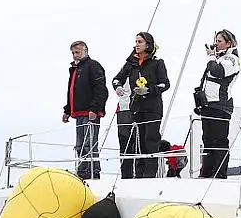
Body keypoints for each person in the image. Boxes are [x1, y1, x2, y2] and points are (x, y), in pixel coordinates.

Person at [112, 32, 171, 178]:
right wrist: (118, 87)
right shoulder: (131, 64)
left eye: (140, 42)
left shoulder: (157, 63)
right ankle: (139, 174)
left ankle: (149, 174)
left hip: (153, 108)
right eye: (136, 42)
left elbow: (165, 84)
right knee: (138, 142)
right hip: (136, 108)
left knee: (150, 140)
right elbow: (117, 79)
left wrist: (149, 90)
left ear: (148, 44)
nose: (137, 45)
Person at [194, 29, 240, 179]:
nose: (216, 44)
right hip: (208, 105)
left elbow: (217, 72)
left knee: (219, 141)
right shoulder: (218, 58)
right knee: (207, 140)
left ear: (229, 43)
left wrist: (210, 57)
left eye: (219, 41)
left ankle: (220, 174)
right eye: (215, 41)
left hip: (221, 106)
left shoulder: (231, 59)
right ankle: (206, 173)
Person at [62, 40, 107, 180]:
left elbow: (101, 89)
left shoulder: (93, 66)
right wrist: (67, 110)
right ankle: (82, 171)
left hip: (90, 112)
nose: (75, 55)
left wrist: (94, 108)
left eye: (78, 52)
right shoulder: (75, 69)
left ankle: (93, 172)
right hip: (79, 112)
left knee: (89, 144)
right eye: (73, 53)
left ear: (85, 51)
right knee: (80, 145)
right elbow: (72, 91)